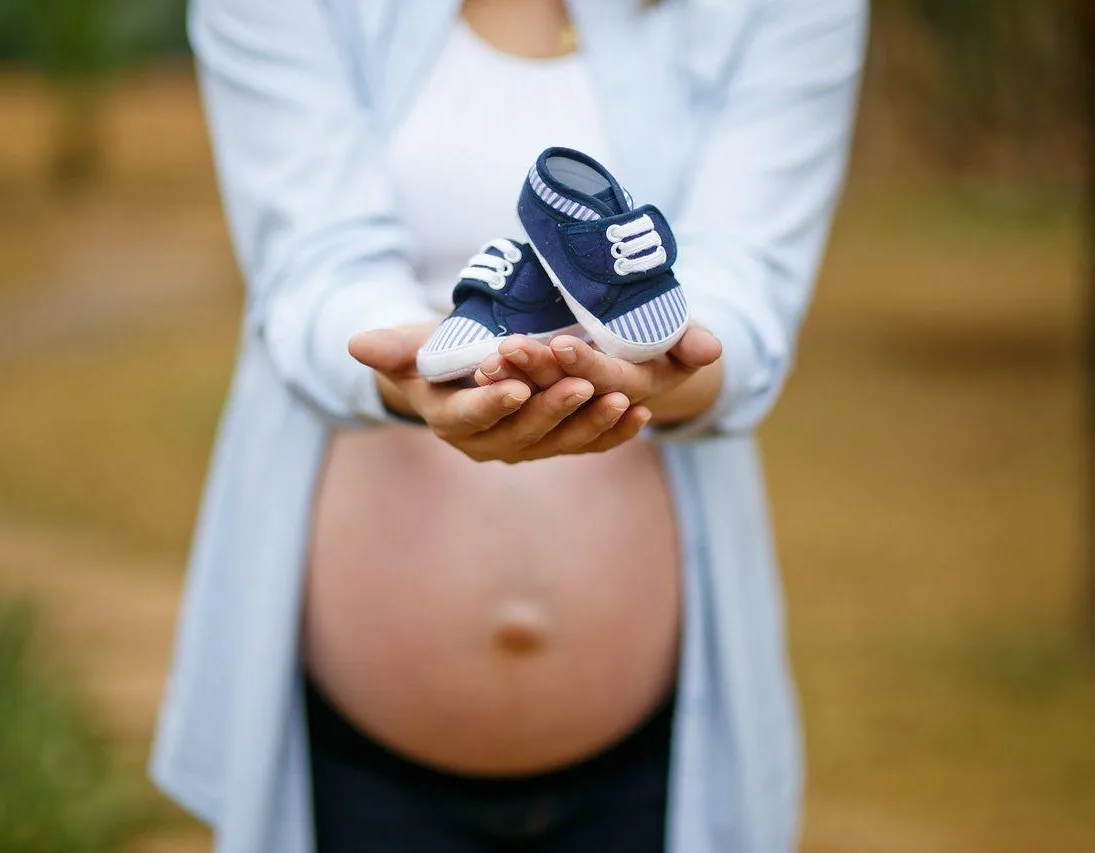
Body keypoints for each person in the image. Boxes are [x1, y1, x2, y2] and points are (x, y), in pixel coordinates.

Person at [149, 1, 868, 851]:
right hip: (351, 752)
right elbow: (312, 267)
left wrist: (670, 371)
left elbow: (746, 288)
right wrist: (406, 372)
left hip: (654, 758)